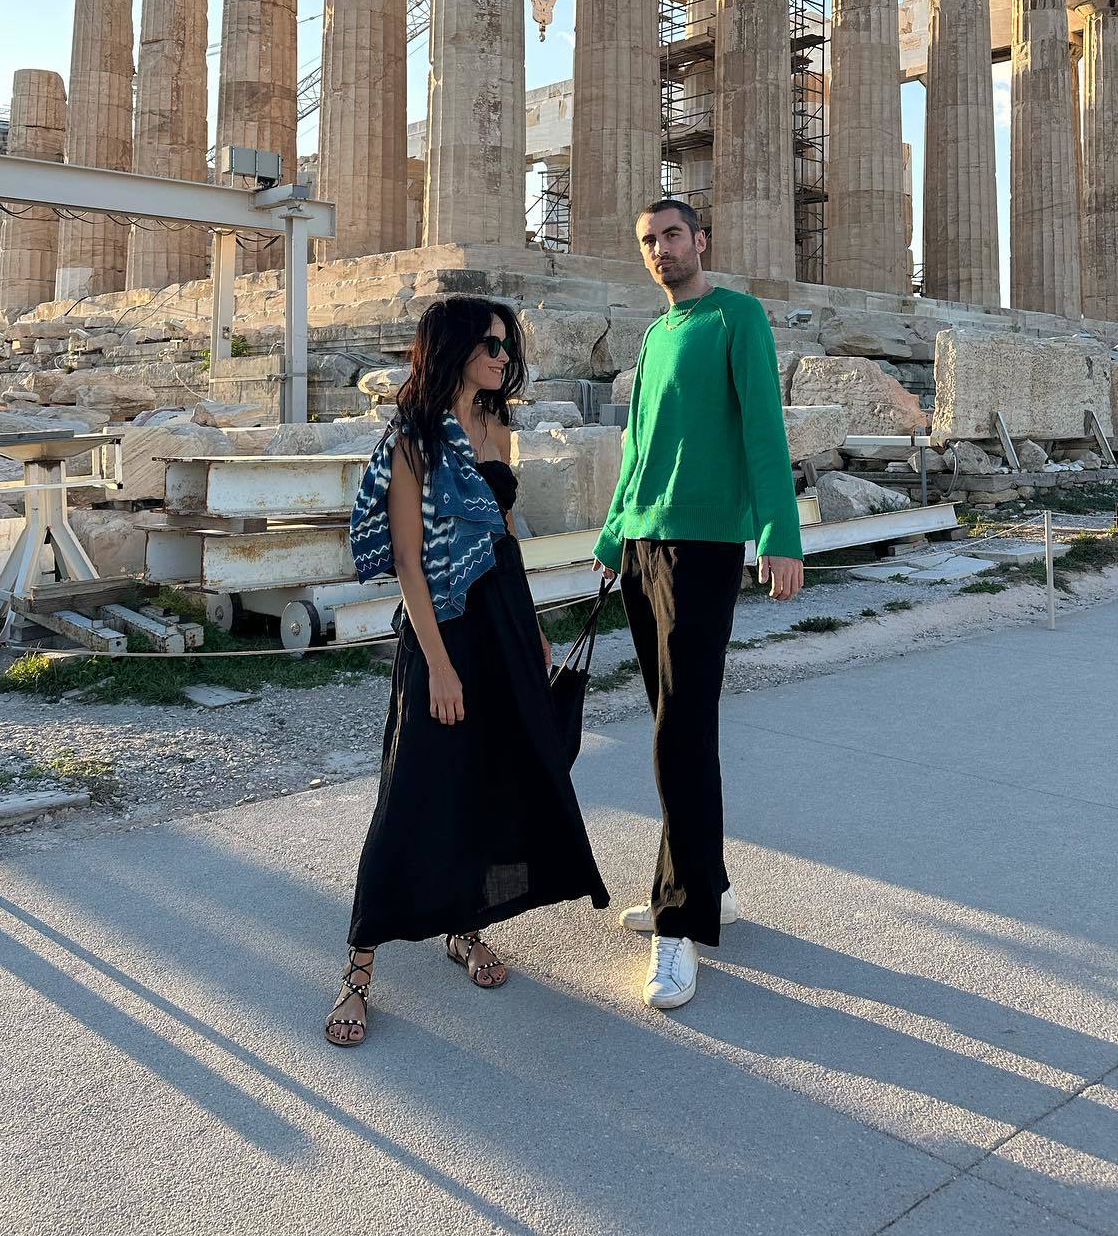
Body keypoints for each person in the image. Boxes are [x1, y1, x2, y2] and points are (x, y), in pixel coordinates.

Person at [327, 295, 608, 1047]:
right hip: (444, 629)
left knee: (493, 777)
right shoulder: (413, 438)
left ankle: (466, 927)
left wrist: (534, 626)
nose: (502, 357)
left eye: (506, 345)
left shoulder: (497, 428)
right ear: (452, 349)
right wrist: (440, 667)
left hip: (504, 623)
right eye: (490, 344)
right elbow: (409, 563)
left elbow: (504, 535)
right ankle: (358, 968)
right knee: (414, 788)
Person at [593, 198, 803, 1011]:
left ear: (701, 241)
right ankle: (705, 881)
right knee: (669, 724)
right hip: (644, 543)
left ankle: (680, 921)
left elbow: (763, 428)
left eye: (672, 235)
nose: (660, 249)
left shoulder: (735, 317)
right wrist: (613, 534)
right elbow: (640, 447)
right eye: (648, 240)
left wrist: (779, 533)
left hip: (705, 544)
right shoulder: (655, 335)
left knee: (681, 730)